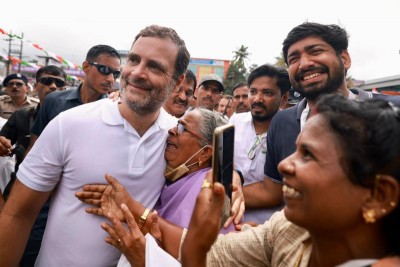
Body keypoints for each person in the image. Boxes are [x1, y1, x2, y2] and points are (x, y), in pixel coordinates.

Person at [0, 25, 189, 267]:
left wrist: (232, 179)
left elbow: (216, 169)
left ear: (178, 81)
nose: (137, 72)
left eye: (155, 66)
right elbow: (18, 214)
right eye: (133, 60)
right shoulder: (69, 124)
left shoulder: (180, 138)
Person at [180, 95, 400, 266]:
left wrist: (194, 253)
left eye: (308, 154)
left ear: (378, 196)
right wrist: (146, 218)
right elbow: (216, 254)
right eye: (296, 150)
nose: (283, 165)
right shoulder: (291, 229)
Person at [248, 22, 400, 210]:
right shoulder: (281, 122)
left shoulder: (393, 110)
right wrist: (227, 191)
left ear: (344, 58)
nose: (304, 64)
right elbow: (273, 190)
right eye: (294, 59)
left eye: (316, 51)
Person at [76, 108, 243, 266]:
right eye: (177, 124)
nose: (172, 130)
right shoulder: (175, 178)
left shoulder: (212, 190)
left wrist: (133, 211)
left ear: (205, 153)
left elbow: (209, 256)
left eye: (182, 128)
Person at [0, 65, 67, 266]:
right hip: (21, 190)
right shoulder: (22, 116)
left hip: (57, 198)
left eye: (59, 83)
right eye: (47, 81)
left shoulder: (71, 119)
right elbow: (4, 141)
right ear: (36, 85)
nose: (53, 86)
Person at [26, 44, 121, 152]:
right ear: (86, 67)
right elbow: (34, 145)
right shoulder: (53, 101)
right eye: (104, 70)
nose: (111, 79)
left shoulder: (114, 109)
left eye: (116, 74)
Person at [230, 64, 289, 224]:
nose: (257, 99)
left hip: (267, 228)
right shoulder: (235, 122)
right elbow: (222, 167)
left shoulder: (291, 130)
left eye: (267, 93)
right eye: (253, 91)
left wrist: (226, 195)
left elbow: (275, 194)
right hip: (228, 223)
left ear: (283, 98)